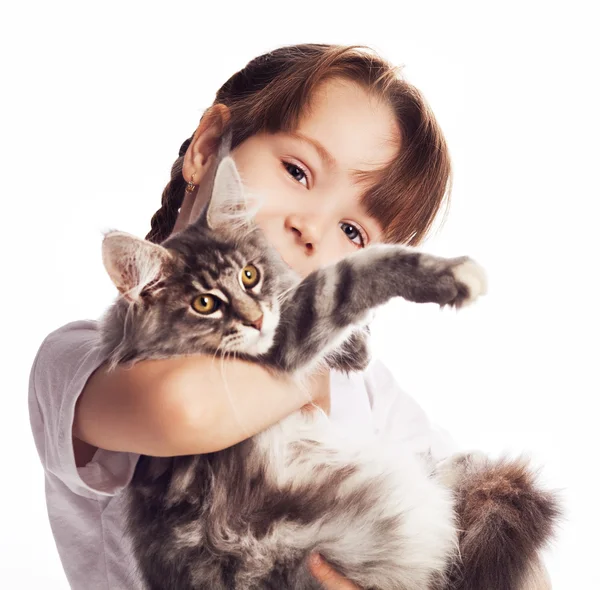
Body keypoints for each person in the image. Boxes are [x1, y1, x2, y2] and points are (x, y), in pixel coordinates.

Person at [28, 44, 550, 589]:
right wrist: (314, 356)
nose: (312, 228)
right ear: (208, 149)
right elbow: (182, 407)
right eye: (298, 172)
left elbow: (493, 539)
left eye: (353, 233)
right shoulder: (83, 360)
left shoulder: (367, 388)